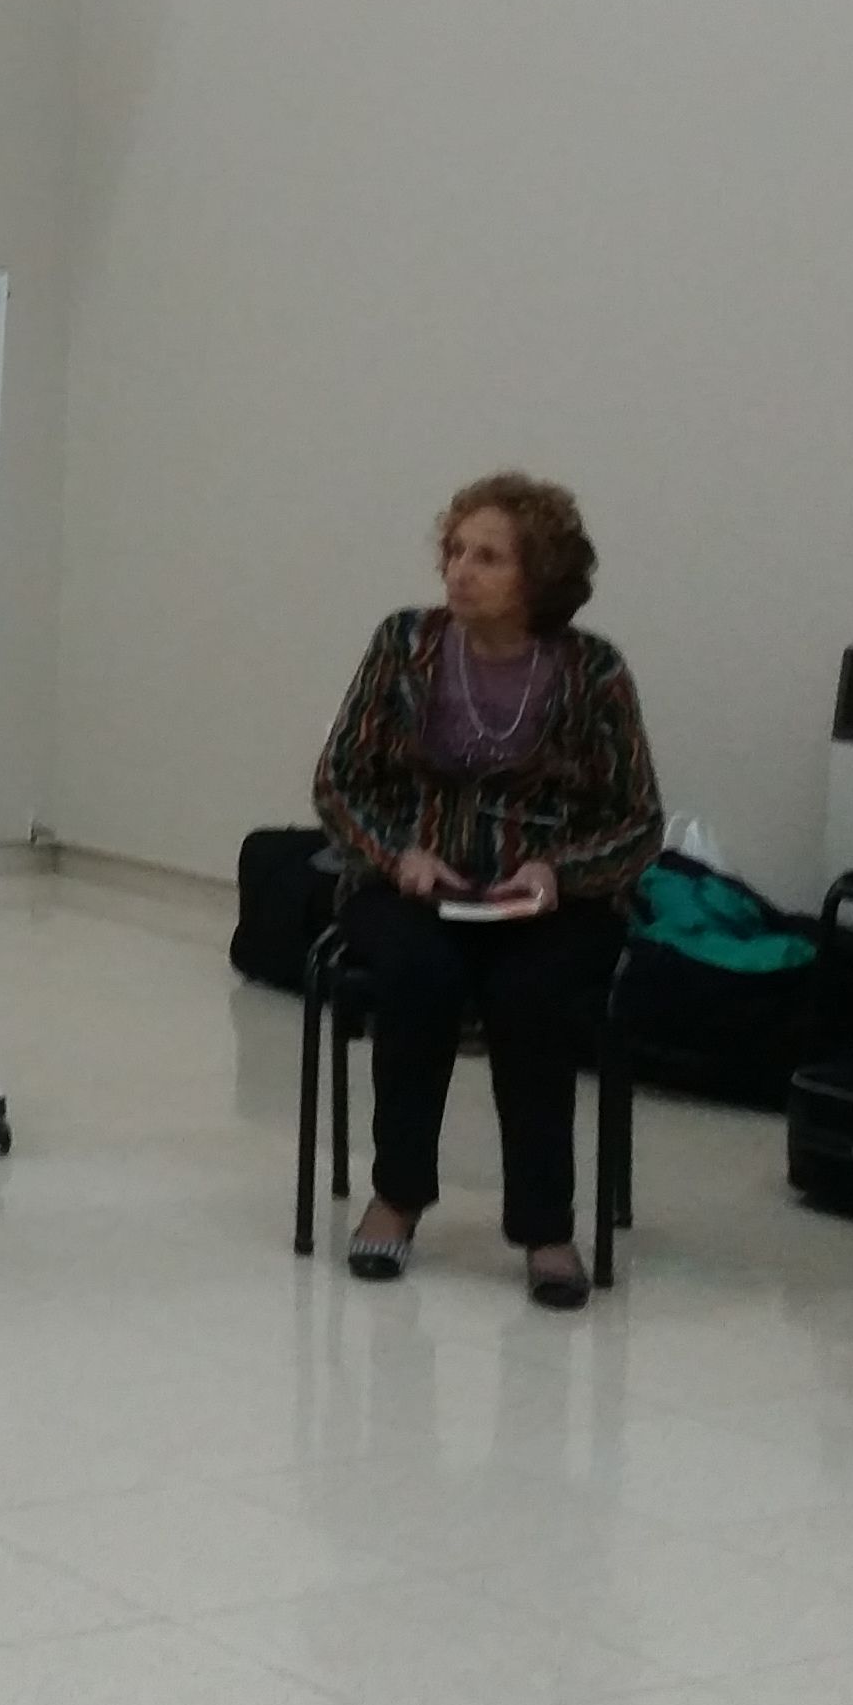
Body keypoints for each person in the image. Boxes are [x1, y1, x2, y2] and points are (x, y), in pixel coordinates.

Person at [307, 473, 663, 1309]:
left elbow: (638, 819)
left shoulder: (594, 670)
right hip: (412, 880)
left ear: (540, 576)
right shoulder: (404, 644)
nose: (460, 572)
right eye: (455, 551)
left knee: (529, 992)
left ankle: (545, 1228)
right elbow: (338, 782)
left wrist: (557, 872)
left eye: (488, 558)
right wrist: (398, 854)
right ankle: (397, 1198)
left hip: (549, 896)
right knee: (418, 975)